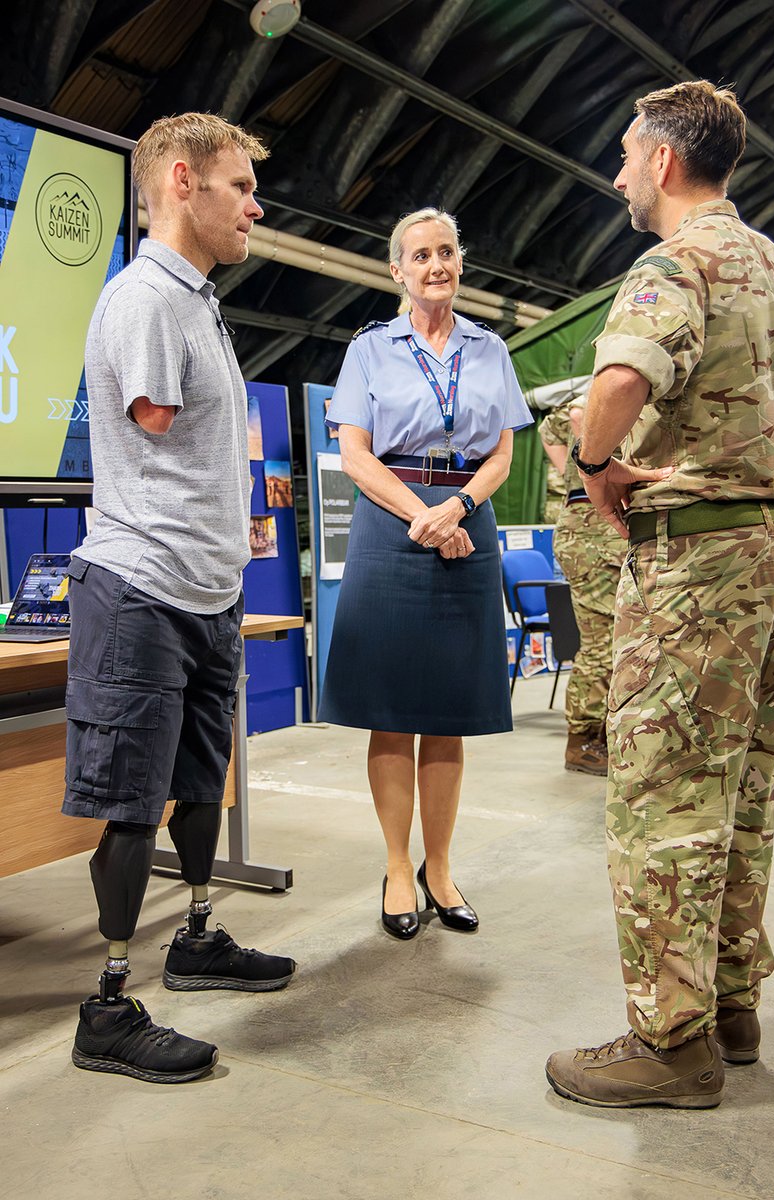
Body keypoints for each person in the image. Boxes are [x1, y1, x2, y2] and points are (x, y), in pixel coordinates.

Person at [544, 80, 774, 1109]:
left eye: (629, 154)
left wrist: (596, 466)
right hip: (771, 553)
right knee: (740, 789)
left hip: (695, 564)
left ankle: (669, 1043)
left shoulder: (674, 261)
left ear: (666, 162)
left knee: (662, 792)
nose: (621, 172)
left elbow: (623, 375)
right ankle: (729, 1000)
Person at [63, 112, 296, 1085]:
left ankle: (195, 936)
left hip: (204, 595)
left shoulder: (197, 300)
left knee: (203, 782)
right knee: (131, 803)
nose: (254, 203)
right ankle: (108, 1008)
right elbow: (154, 420)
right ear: (180, 182)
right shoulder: (150, 298)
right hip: (143, 590)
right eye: (239, 186)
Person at [319, 207, 532, 939]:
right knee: (390, 710)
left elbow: (502, 453)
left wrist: (460, 507)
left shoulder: (489, 348)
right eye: (419, 256)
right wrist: (423, 515)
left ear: (459, 262)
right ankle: (396, 867)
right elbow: (354, 453)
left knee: (447, 714)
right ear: (397, 271)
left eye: (446, 252)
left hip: (467, 516)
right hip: (391, 520)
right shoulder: (369, 349)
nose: (435, 265)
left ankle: (439, 868)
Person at [539, 396, 626, 774]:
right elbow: (570, 415)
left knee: (617, 640)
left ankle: (605, 733)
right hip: (593, 530)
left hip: (602, 527)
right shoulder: (597, 398)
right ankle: (584, 740)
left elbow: (548, 428)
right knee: (601, 641)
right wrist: (575, 475)